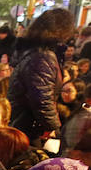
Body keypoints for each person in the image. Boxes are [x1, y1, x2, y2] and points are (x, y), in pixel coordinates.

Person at [8, 8, 75, 143]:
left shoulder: (34, 51)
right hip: (29, 126)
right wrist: (52, 127)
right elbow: (41, 98)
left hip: (24, 122)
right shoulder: (42, 56)